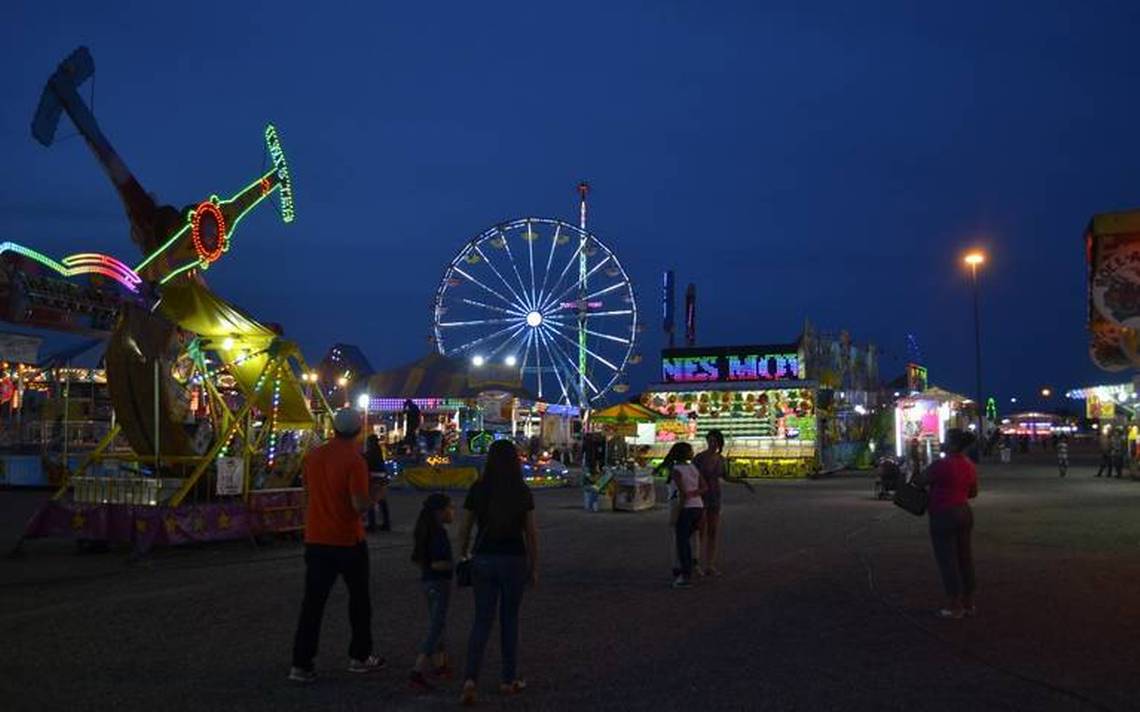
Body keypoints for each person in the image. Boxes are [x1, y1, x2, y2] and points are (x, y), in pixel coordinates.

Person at [289, 408, 385, 683]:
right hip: (347, 539)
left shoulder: (314, 456)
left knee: (313, 604)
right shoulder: (355, 460)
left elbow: (307, 495)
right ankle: (359, 656)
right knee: (359, 601)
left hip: (317, 537)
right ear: (358, 430)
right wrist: (377, 494)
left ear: (333, 427)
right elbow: (358, 506)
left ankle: (301, 663)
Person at [457, 440, 539, 705]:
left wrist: (463, 554)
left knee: (482, 620)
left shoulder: (479, 489)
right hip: (513, 557)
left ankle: (470, 679)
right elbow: (531, 533)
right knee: (509, 620)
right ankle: (508, 678)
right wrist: (534, 565)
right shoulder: (521, 490)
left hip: (484, 558)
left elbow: (465, 527)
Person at [914, 428, 978, 619]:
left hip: (943, 513)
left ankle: (954, 605)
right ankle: (969, 603)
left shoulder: (941, 465)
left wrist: (916, 461)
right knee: (965, 558)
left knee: (947, 560)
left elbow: (918, 482)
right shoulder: (968, 465)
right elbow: (973, 492)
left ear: (952, 444)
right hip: (964, 512)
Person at [409, 493, 455, 691]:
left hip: (428, 582)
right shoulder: (438, 534)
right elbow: (437, 563)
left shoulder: (424, 530)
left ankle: (440, 664)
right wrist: (454, 565)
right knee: (436, 626)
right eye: (450, 508)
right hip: (439, 583)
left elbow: (419, 560)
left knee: (438, 622)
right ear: (439, 511)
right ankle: (417, 669)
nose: (453, 511)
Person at [656, 441, 705, 589]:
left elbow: (682, 495)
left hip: (685, 507)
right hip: (698, 506)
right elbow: (704, 487)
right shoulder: (693, 468)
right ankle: (689, 567)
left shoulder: (676, 470)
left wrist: (677, 513)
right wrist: (694, 493)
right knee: (689, 539)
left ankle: (685, 574)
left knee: (681, 541)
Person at [694, 430, 728, 576]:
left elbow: (725, 476)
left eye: (715, 441)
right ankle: (696, 562)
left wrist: (743, 481)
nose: (712, 444)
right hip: (701, 496)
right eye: (710, 440)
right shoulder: (700, 458)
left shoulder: (721, 459)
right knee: (700, 530)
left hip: (715, 495)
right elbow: (693, 475)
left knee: (713, 531)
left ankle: (710, 564)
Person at [364, 434, 391, 532]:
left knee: (371, 500)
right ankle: (386, 523)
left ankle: (372, 524)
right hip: (382, 477)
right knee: (381, 501)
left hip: (374, 478)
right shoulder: (378, 451)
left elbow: (367, 461)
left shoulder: (371, 452)